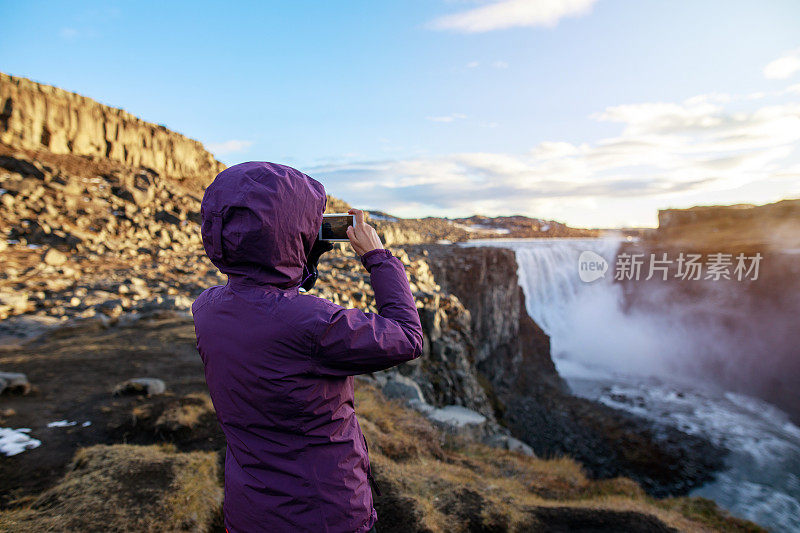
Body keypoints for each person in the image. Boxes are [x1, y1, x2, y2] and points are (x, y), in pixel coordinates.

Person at [192, 162, 423, 533]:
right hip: (325, 514)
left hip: (250, 513)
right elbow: (407, 336)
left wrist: (301, 259)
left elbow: (271, 302)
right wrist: (377, 258)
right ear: (291, 232)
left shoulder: (206, 307)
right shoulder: (313, 324)